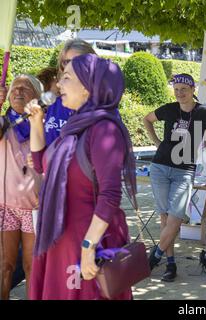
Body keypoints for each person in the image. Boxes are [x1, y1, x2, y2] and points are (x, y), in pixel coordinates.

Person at [26, 54, 137, 300]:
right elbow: (41, 164)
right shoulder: (75, 127)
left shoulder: (104, 129)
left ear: (88, 87)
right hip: (59, 240)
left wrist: (88, 246)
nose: (59, 85)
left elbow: (110, 194)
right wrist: (36, 123)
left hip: (87, 243)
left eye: (67, 78)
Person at [143, 73, 206, 282]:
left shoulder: (203, 112)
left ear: (193, 90)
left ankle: (155, 257)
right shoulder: (169, 108)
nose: (179, 93)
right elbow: (147, 119)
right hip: (160, 168)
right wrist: (157, 142)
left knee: (176, 218)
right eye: (176, 89)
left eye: (183, 89)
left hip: (184, 171)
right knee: (165, 218)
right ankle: (171, 264)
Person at [0, 75, 44, 299]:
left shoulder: (43, 123)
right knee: (4, 266)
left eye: (26, 89)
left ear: (36, 96)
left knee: (32, 268)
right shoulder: (4, 123)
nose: (19, 92)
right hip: (5, 206)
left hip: (34, 208)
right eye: (15, 88)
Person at [43, 39, 96, 146]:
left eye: (78, 61)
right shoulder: (56, 104)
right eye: (66, 62)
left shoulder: (101, 108)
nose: (70, 66)